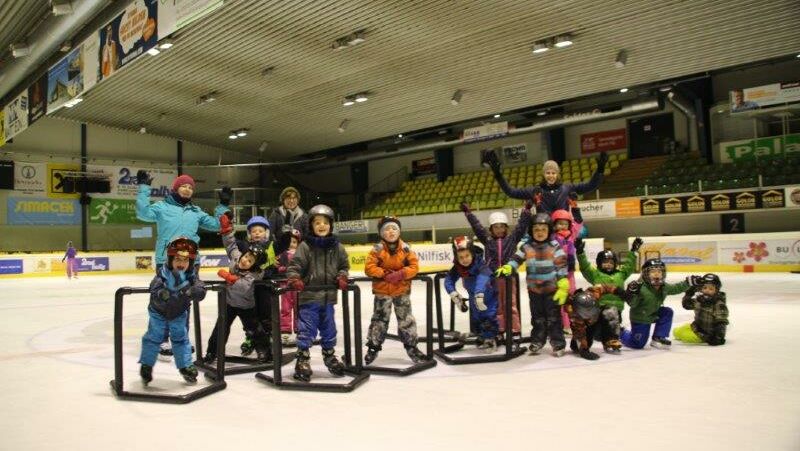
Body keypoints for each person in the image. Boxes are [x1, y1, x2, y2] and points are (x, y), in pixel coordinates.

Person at [135, 171, 230, 359]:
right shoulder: (162, 207)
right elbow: (143, 213)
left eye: (190, 187)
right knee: (162, 300)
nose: (187, 189)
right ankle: (161, 340)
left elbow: (219, 225)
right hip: (166, 262)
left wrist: (223, 206)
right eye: (183, 186)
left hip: (190, 263)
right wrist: (144, 189)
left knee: (184, 301)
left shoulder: (196, 212)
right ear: (175, 188)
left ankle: (180, 338)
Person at [285, 205, 350, 382]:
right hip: (309, 297)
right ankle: (303, 359)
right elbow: (294, 267)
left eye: (325, 223)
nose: (322, 226)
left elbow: (344, 266)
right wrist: (295, 279)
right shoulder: (305, 246)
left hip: (328, 298)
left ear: (331, 225)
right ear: (311, 226)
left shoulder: (337, 247)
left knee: (330, 329)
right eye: (317, 223)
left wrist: (342, 277)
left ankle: (329, 355)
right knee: (306, 329)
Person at [496, 213, 569, 357]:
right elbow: (516, 259)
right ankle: (537, 340)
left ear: (549, 230)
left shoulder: (554, 246)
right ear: (531, 231)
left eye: (543, 229)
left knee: (554, 317)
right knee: (537, 317)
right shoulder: (526, 247)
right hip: (534, 290)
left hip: (551, 290)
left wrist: (562, 282)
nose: (540, 233)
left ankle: (557, 342)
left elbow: (561, 264)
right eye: (536, 230)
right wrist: (509, 267)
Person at [203, 214, 271, 364]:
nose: (245, 261)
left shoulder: (254, 274)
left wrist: (231, 278)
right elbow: (231, 245)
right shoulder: (236, 258)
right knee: (220, 329)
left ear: (254, 265)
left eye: (250, 261)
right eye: (246, 257)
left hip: (246, 306)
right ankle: (211, 352)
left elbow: (244, 287)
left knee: (254, 330)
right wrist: (227, 230)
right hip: (229, 303)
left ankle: (265, 351)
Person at [461, 200, 532, 343]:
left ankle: (514, 330)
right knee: (497, 305)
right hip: (493, 278)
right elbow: (477, 227)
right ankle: (499, 329)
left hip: (508, 277)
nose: (499, 230)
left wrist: (526, 210)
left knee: (511, 303)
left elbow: (521, 226)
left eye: (502, 227)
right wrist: (468, 213)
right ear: (491, 229)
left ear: (506, 227)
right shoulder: (487, 240)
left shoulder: (512, 239)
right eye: (495, 227)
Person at [139, 237, 206, 385]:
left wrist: (197, 291)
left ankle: (185, 366)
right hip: (159, 312)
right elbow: (154, 286)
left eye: (185, 260)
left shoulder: (191, 276)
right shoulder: (163, 273)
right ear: (170, 260)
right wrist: (160, 293)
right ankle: (146, 365)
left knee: (181, 338)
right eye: (177, 259)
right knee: (154, 337)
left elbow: (200, 287)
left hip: (179, 313)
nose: (181, 263)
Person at [363, 216, 427, 364]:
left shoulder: (406, 249)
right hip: (382, 292)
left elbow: (414, 267)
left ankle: (412, 347)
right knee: (379, 320)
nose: (390, 231)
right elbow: (369, 267)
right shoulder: (377, 250)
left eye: (394, 228)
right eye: (386, 229)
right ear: (381, 233)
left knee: (406, 320)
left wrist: (401, 274)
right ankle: (373, 347)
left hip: (401, 291)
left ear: (399, 231)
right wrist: (384, 273)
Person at [482, 150, 607, 215]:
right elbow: (511, 192)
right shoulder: (536, 190)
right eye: (548, 173)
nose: (551, 175)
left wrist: (600, 170)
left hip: (562, 230)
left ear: (557, 174)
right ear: (544, 174)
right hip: (543, 231)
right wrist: (498, 175)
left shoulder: (567, 188)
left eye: (553, 173)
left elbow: (591, 186)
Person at [575, 237, 642, 353]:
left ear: (615, 264)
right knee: (598, 331)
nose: (608, 265)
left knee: (612, 322)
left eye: (611, 262)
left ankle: (611, 341)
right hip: (598, 308)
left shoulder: (620, 274)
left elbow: (630, 266)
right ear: (599, 263)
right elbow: (585, 267)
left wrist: (633, 251)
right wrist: (580, 253)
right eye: (605, 262)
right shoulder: (595, 274)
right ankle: (599, 338)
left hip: (615, 310)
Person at [620, 259, 698, 349]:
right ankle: (621, 332)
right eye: (652, 271)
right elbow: (633, 304)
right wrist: (631, 293)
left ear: (663, 273)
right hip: (641, 318)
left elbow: (676, 288)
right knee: (637, 344)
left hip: (653, 313)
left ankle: (658, 337)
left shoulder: (663, 286)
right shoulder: (640, 287)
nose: (657, 274)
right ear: (645, 274)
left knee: (667, 312)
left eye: (659, 271)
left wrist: (688, 282)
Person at [444, 236, 499, 353]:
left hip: (487, 297)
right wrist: (453, 293)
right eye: (461, 257)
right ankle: (481, 336)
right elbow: (449, 280)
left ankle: (490, 339)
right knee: (477, 317)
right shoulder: (459, 268)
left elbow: (482, 279)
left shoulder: (481, 265)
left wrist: (479, 294)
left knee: (488, 317)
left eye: (467, 256)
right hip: (474, 297)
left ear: (473, 254)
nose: (464, 260)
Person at [674, 274, 729, 346]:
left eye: (711, 289)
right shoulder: (699, 300)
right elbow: (686, 305)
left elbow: (721, 323)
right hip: (697, 327)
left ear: (716, 290)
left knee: (684, 335)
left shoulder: (718, 304)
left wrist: (718, 337)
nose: (707, 291)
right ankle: (683, 332)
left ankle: (692, 336)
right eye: (705, 288)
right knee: (676, 332)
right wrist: (689, 293)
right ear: (700, 288)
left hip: (707, 334)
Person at [277, 228, 302, 346]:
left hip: (298, 286)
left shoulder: (301, 255)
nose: (291, 244)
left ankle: (300, 330)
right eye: (289, 241)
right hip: (285, 286)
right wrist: (283, 269)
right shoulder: (282, 254)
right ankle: (285, 331)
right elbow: (279, 268)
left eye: (294, 242)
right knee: (286, 308)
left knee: (299, 308)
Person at [269, 186, 309, 255]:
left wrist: (301, 250)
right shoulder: (276, 213)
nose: (291, 201)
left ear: (298, 200)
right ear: (283, 200)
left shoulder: (304, 216)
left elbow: (307, 235)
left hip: (298, 253)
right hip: (279, 252)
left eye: (294, 198)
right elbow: (269, 233)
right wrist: (274, 253)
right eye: (288, 198)